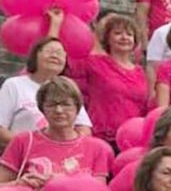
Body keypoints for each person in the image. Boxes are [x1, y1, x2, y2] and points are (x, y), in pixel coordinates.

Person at [46, 10, 147, 147]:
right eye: (118, 33)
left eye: (129, 34)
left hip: (132, 140)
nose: (124, 37)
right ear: (107, 39)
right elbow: (54, 57)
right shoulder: (94, 62)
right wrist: (55, 25)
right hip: (102, 138)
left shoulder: (140, 71)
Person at [0, 37, 93, 148]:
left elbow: (84, 128)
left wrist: (68, 146)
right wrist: (31, 146)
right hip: (22, 155)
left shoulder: (67, 88)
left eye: (59, 53)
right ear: (35, 56)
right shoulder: (14, 85)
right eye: (49, 51)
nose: (54, 56)